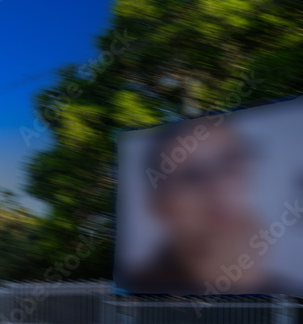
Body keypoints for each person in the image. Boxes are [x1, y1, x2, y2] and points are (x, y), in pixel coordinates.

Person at [123, 116, 303, 295]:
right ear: (158, 205)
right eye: (192, 176)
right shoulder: (142, 287)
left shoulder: (282, 291)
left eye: (230, 164)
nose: (219, 188)